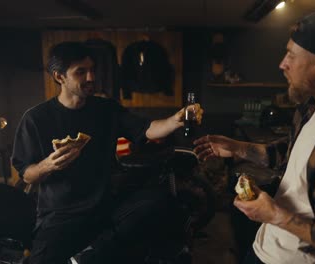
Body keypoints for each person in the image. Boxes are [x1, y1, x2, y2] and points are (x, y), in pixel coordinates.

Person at [194, 9, 315, 263]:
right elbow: (291, 154)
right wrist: (237, 148)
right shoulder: (312, 107)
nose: (282, 64)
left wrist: (276, 214)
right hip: (266, 247)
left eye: (291, 55)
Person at [11, 41, 203, 264]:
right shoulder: (36, 119)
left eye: (92, 70)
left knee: (160, 201)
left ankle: (90, 254)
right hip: (60, 214)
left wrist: (176, 119)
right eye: (81, 72)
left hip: (104, 207)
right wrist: (50, 164)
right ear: (59, 77)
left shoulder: (106, 109)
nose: (91, 77)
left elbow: (147, 129)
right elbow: (26, 174)